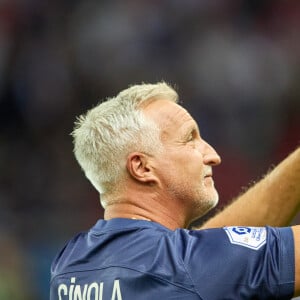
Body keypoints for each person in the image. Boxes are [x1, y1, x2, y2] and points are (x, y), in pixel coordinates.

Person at [50, 82, 300, 299]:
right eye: (190, 138)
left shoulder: (68, 264)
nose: (213, 156)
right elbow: (199, 265)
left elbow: (200, 261)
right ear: (142, 167)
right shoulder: (183, 267)